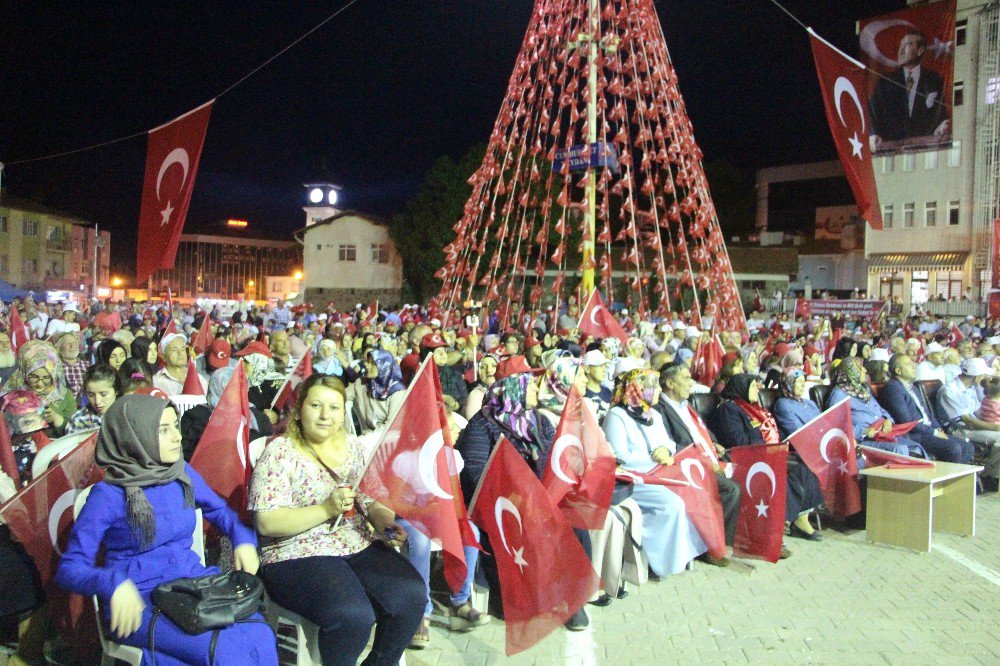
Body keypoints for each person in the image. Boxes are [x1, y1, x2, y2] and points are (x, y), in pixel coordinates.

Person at [55, 394, 277, 664]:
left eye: (176, 426)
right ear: (134, 436)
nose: (177, 437)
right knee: (225, 652)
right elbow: (69, 568)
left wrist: (243, 539)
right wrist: (112, 583)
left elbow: (219, 511)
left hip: (192, 584)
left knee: (260, 635)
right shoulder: (109, 495)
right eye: (164, 430)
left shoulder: (180, 473)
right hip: (138, 601)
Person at [249, 374, 424, 665]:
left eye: (334, 407)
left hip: (353, 542)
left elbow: (372, 498)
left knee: (411, 595)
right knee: (353, 616)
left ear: (343, 412)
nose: (324, 415)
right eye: (316, 405)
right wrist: (325, 510)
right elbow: (267, 522)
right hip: (293, 552)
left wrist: (383, 522)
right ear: (299, 409)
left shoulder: (353, 448)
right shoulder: (280, 452)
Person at [602, 369, 709, 575]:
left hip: (659, 473)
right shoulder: (617, 415)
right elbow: (618, 455)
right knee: (672, 504)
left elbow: (668, 442)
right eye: (655, 386)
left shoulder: (653, 414)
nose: (659, 389)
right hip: (633, 479)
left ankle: (685, 553)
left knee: (694, 492)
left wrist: (665, 450)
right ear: (639, 388)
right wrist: (653, 455)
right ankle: (658, 561)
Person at [653, 362, 741, 554]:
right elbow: (671, 445)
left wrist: (715, 444)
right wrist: (704, 463)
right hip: (688, 467)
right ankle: (713, 546)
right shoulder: (660, 409)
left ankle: (746, 537)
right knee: (731, 489)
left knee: (747, 475)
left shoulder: (687, 406)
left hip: (709, 458)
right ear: (670, 383)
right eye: (685, 378)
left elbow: (702, 431)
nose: (691, 383)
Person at [879, 354, 974, 464]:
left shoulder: (913, 387)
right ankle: (944, 479)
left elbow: (927, 413)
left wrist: (938, 429)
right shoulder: (893, 389)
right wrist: (934, 432)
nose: (914, 366)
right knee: (954, 448)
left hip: (927, 430)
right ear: (898, 371)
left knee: (968, 447)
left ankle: (953, 478)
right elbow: (907, 421)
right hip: (913, 434)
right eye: (909, 364)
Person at [769, 369, 829, 541]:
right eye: (798, 382)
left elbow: (823, 423)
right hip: (802, 447)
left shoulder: (809, 404)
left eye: (804, 381)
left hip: (820, 443)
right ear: (788, 383)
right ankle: (801, 520)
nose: (803, 385)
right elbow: (797, 431)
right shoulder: (783, 404)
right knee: (810, 466)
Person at [868, 29, 950, 151]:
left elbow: (940, 113)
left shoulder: (934, 80)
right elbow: (872, 110)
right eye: (900, 45)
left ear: (920, 50)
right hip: (891, 150)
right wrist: (872, 134)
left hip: (923, 150)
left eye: (906, 45)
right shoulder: (885, 82)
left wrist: (942, 125)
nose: (900, 50)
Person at [827, 357, 921, 457]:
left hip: (883, 434)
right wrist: (864, 431)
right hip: (863, 441)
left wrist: (887, 420)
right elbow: (837, 427)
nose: (865, 370)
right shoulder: (838, 395)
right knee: (900, 449)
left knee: (917, 447)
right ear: (851, 372)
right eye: (860, 368)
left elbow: (881, 410)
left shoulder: (863, 389)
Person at [180, 366, 273, 461]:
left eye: (242, 387)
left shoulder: (258, 418)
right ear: (218, 387)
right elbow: (185, 456)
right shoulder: (196, 417)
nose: (240, 392)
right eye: (233, 387)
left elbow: (269, 450)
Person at [937, 358, 1000, 490]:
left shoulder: (970, 388)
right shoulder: (949, 390)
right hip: (959, 429)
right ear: (977, 376)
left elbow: (977, 413)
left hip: (973, 426)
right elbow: (967, 419)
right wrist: (995, 427)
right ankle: (987, 476)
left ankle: (990, 475)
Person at [7, 340, 77, 438]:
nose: (39, 384)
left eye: (46, 378)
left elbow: (75, 432)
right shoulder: (11, 395)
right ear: (24, 371)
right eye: (33, 377)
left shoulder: (64, 395)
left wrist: (57, 419)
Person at [349, 348, 407, 435]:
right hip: (364, 437)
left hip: (386, 440)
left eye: (373, 363)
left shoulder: (397, 392)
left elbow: (391, 427)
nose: (367, 366)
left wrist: (368, 438)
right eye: (367, 362)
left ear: (384, 366)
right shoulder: (362, 383)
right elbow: (341, 395)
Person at [65, 363, 121, 434]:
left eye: (103, 394)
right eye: (91, 395)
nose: (97, 401)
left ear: (116, 391)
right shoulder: (79, 420)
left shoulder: (128, 415)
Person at [463, 353, 498, 420]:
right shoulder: (476, 395)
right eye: (483, 367)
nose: (488, 370)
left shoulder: (507, 390)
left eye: (493, 366)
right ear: (479, 372)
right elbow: (474, 426)